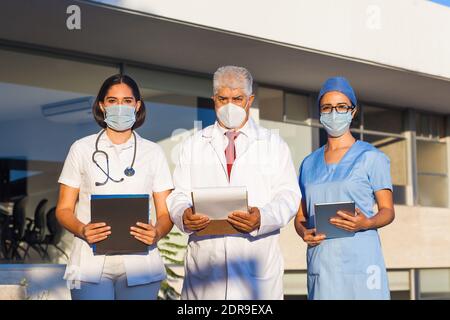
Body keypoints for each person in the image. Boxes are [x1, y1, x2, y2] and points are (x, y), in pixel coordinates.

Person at [167, 65, 301, 300]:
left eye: (237, 98)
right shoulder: (193, 144)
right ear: (213, 100)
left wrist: (263, 217)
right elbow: (178, 194)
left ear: (250, 100)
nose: (230, 105)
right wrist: (183, 214)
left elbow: (288, 195)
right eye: (223, 99)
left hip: (256, 267)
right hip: (206, 267)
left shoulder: (273, 144)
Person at [56, 74, 173, 300]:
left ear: (137, 106)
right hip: (90, 261)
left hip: (141, 263)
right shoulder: (81, 149)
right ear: (102, 105)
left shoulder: (153, 152)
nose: (120, 107)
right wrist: (82, 229)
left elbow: (165, 213)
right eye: (112, 101)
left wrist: (157, 232)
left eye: (127, 101)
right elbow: (63, 209)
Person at [295, 76, 395, 300]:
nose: (334, 113)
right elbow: (300, 216)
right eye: (327, 108)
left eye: (341, 107)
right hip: (322, 262)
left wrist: (366, 222)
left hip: (362, 262)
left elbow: (387, 210)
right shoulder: (308, 163)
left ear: (352, 111)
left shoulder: (371, 157)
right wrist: (304, 232)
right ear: (320, 113)